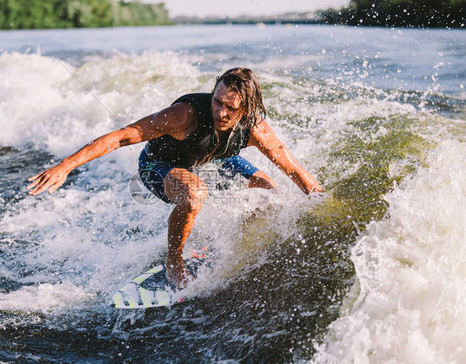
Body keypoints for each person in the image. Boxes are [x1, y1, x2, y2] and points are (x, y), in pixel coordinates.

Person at [27, 67, 323, 287]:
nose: (220, 111)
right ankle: (174, 260)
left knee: (269, 191)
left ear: (245, 109)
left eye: (229, 108)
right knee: (195, 195)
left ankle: (230, 242)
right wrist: (66, 165)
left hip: (212, 157)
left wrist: (324, 205)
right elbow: (122, 136)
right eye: (217, 101)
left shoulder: (255, 129)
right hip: (158, 164)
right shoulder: (185, 114)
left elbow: (295, 170)